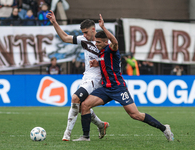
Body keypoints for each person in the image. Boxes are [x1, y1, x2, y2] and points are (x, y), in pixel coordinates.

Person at [72, 14, 174, 142]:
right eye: (96, 42)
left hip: (118, 88)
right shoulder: (102, 52)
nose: (96, 44)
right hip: (106, 88)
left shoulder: (111, 48)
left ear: (105, 42)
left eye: (98, 42)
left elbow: (115, 42)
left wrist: (103, 28)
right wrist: (97, 63)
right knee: (85, 105)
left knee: (135, 115)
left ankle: (164, 128)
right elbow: (107, 64)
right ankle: (86, 137)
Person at [46, 10, 109, 141]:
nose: (84, 35)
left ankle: (67, 134)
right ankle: (101, 125)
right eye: (82, 33)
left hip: (96, 79)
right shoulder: (83, 40)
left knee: (75, 98)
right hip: (86, 77)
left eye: (86, 32)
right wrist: (55, 23)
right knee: (81, 106)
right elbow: (65, 37)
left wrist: (98, 62)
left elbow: (112, 59)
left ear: (93, 30)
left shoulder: (103, 43)